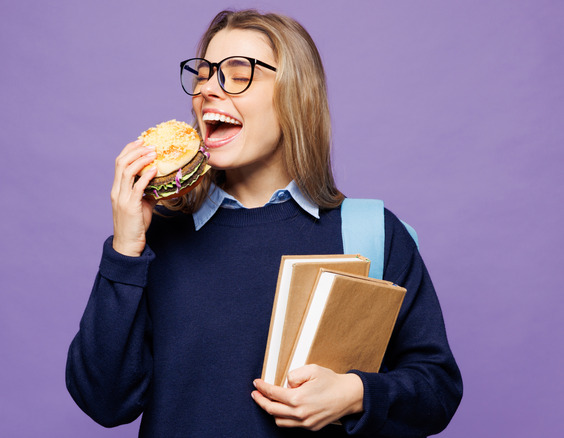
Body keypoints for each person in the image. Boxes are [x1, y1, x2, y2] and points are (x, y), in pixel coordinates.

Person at [66, 9, 462, 437]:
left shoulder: (369, 232)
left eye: (238, 74)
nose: (208, 90)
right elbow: (103, 401)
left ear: (296, 94)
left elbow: (437, 387)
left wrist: (355, 394)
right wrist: (126, 249)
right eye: (204, 74)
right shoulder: (156, 237)